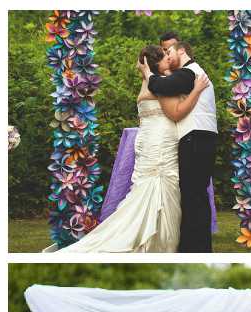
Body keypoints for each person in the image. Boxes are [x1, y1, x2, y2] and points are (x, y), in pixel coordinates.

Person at [51, 46, 211, 252]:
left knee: (149, 185)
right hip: (161, 140)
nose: (168, 61)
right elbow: (177, 113)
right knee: (160, 183)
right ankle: (155, 239)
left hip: (148, 138)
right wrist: (197, 90)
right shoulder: (160, 86)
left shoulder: (148, 83)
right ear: (156, 63)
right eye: (164, 58)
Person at [143, 36, 218, 252]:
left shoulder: (190, 73)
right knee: (196, 195)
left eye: (169, 53)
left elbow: (160, 85)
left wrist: (148, 71)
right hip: (202, 138)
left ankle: (195, 249)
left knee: (193, 196)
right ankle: (198, 247)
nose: (166, 56)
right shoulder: (192, 74)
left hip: (196, 139)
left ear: (181, 51)